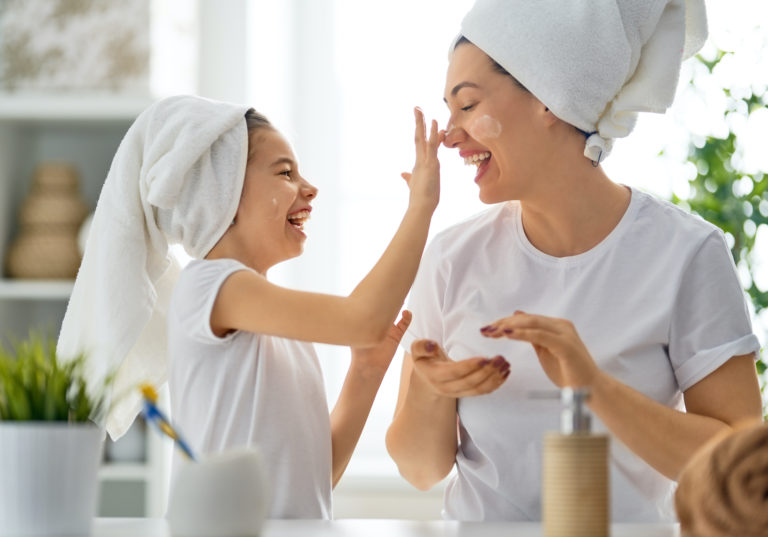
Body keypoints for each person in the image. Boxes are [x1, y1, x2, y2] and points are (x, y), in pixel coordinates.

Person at [386, 0, 764, 523]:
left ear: (549, 98)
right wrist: (430, 390)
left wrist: (595, 387)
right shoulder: (452, 258)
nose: (449, 135)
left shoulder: (687, 254)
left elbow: (743, 467)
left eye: (468, 106)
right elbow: (419, 469)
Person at [56, 94, 467, 518]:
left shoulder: (268, 319)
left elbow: (316, 477)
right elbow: (362, 318)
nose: (310, 188)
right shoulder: (208, 285)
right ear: (222, 192)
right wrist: (421, 206)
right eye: (286, 172)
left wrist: (365, 371)